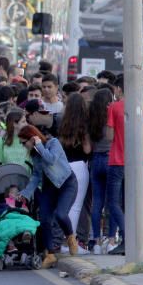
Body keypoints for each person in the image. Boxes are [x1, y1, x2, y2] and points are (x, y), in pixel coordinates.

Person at [18, 125, 78, 269]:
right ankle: (50, 254)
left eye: (23, 142)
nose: (23, 146)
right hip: (49, 188)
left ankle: (70, 237)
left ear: (33, 138)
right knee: (44, 218)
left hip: (66, 183)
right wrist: (25, 193)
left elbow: (51, 160)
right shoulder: (34, 154)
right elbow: (37, 176)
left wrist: (39, 145)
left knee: (61, 214)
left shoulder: (53, 143)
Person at [87, 88, 120, 253]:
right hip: (110, 158)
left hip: (95, 159)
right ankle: (111, 238)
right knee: (112, 202)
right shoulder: (112, 114)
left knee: (96, 202)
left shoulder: (91, 118)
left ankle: (96, 240)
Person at [57, 93, 91, 250]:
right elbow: (87, 149)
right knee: (76, 206)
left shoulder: (61, 122)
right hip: (79, 165)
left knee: (63, 204)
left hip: (63, 166)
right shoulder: (84, 126)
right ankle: (70, 242)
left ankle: (61, 240)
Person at [105, 75, 127, 254]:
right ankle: (131, 239)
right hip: (134, 163)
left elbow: (110, 136)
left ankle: (127, 237)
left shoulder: (114, 107)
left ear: (118, 89)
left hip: (117, 159)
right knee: (129, 203)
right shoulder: (140, 107)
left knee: (113, 202)